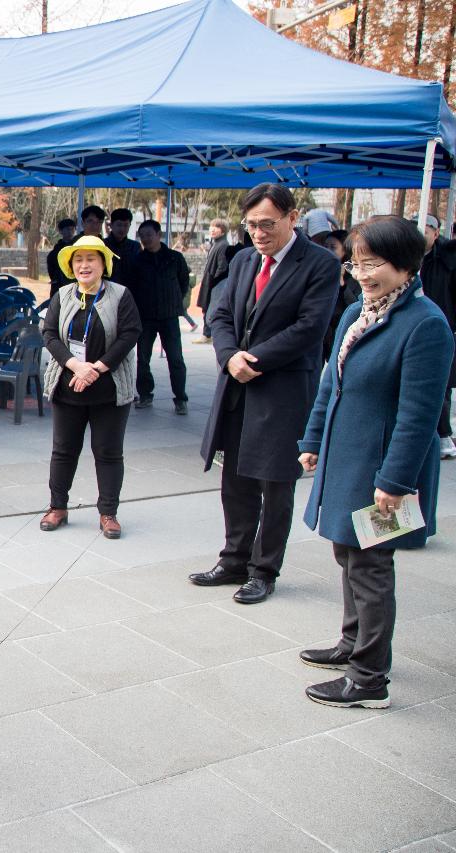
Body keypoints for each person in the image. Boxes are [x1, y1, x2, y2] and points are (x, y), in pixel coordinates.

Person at [297, 215, 453, 709]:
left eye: (376, 263)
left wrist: (395, 480)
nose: (363, 273)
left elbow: (419, 415)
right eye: (356, 262)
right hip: (348, 458)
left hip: (383, 470)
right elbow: (331, 384)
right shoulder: (358, 312)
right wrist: (313, 438)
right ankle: (351, 643)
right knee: (347, 553)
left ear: (408, 265)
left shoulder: (426, 324)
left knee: (370, 565)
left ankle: (369, 679)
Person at [192, 183, 340, 605]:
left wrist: (250, 359)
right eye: (251, 224)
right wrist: (228, 356)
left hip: (282, 389)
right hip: (236, 386)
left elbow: (310, 328)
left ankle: (264, 570)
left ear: (293, 218)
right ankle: (234, 559)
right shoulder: (242, 260)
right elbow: (219, 314)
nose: (258, 232)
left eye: (267, 224)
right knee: (235, 479)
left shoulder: (319, 265)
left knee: (275, 485)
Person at [39, 236, 142, 539]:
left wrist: (96, 368)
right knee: (63, 450)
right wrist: (75, 365)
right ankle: (57, 507)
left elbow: (129, 334)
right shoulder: (63, 295)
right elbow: (49, 334)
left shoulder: (121, 296)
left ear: (103, 264)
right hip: (68, 385)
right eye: (78, 260)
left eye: (91, 259)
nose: (84, 265)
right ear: (71, 265)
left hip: (109, 389)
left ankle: (108, 512)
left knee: (108, 452)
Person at [130, 220, 191, 414]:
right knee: (143, 358)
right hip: (146, 317)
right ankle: (145, 394)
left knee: (175, 359)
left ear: (158, 234)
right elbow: (133, 287)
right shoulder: (138, 261)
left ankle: (180, 398)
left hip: (169, 316)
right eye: (142, 235)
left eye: (149, 234)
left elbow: (183, 283)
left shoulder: (174, 258)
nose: (146, 239)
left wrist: (173, 302)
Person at [416, 214, 456, 460]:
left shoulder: (447, 259)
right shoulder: (411, 258)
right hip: (417, 323)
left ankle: (443, 435)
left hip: (444, 324)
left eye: (427, 229)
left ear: (436, 232)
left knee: (440, 383)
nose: (423, 234)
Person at [314, 228, 361, 363]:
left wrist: (341, 283)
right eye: (326, 246)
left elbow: (356, 304)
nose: (328, 250)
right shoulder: (320, 270)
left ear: (345, 250)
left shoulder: (355, 273)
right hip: (323, 332)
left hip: (342, 331)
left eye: (333, 247)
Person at [193, 219, 231, 344]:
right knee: (206, 307)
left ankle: (211, 334)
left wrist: (214, 280)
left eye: (217, 227)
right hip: (210, 281)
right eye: (211, 226)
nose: (213, 229)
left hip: (215, 283)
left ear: (223, 230)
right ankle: (207, 334)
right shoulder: (216, 244)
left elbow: (222, 266)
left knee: (212, 309)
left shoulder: (223, 245)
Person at [103, 208, 141, 287]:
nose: (122, 229)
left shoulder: (135, 247)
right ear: (111, 225)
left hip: (129, 292)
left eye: (126, 225)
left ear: (130, 225)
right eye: (119, 225)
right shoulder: (102, 245)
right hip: (106, 291)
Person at [46, 217, 77, 296]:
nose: (70, 232)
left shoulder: (78, 248)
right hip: (59, 287)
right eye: (67, 229)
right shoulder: (54, 253)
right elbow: (52, 273)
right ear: (61, 231)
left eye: (72, 229)